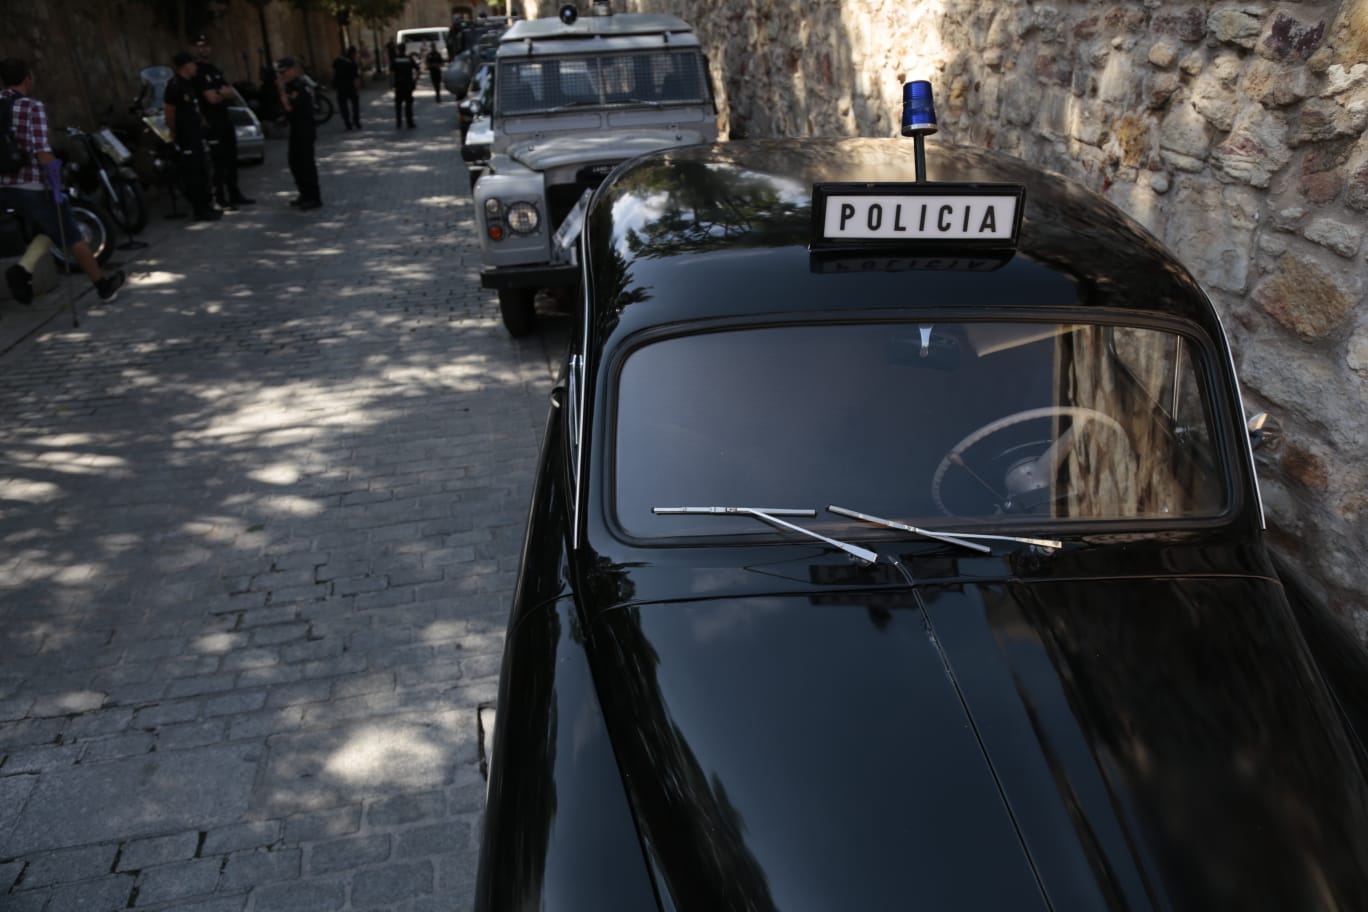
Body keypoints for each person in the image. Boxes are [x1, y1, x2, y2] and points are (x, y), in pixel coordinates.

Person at [0, 58, 125, 304]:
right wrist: (56, 184)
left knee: (46, 229)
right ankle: (103, 286)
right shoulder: (31, 107)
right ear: (27, 78)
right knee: (71, 234)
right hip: (33, 184)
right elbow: (42, 151)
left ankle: (22, 270)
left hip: (4, 185)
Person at [191, 35, 254, 210]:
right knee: (218, 161)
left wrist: (221, 93)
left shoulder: (214, 69)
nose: (204, 49)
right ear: (195, 48)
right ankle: (219, 198)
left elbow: (231, 92)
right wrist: (221, 93)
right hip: (211, 122)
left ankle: (234, 193)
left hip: (225, 119)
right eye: (200, 46)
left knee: (232, 159)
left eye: (206, 45)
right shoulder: (198, 72)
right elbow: (211, 98)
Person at [164, 50, 220, 221]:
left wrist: (202, 123)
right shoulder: (174, 85)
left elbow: (194, 108)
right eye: (193, 64)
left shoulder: (189, 83)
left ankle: (207, 206)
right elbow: (169, 112)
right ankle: (200, 210)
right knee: (193, 174)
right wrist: (174, 132)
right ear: (185, 66)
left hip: (196, 135)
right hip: (186, 137)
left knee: (203, 171)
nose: (195, 66)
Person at [276, 57, 321, 210]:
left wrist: (281, 90)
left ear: (292, 70)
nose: (281, 75)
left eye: (284, 71)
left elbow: (289, 107)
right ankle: (304, 193)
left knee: (306, 164)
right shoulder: (291, 85)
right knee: (295, 162)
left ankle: (313, 197)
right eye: (279, 72)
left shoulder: (298, 86)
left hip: (304, 129)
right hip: (296, 129)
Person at [332, 46, 362, 130]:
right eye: (356, 53)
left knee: (343, 106)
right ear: (353, 53)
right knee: (355, 105)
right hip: (351, 86)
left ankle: (347, 123)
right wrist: (357, 89)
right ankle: (356, 121)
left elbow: (334, 72)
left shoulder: (337, 60)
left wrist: (334, 82)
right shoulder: (353, 63)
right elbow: (356, 78)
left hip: (340, 86)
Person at [391, 46, 418, 128]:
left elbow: (391, 73)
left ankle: (399, 123)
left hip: (399, 85)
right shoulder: (409, 59)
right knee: (408, 105)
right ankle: (409, 123)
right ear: (405, 50)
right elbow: (418, 70)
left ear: (398, 50)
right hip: (408, 85)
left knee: (398, 105)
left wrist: (391, 84)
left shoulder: (395, 59)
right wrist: (415, 81)